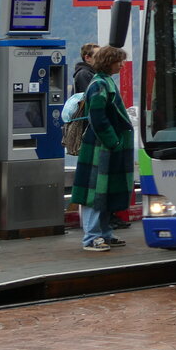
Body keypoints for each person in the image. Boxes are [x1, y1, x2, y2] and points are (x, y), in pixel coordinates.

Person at [70, 46, 135, 253]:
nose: (122, 65)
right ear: (109, 62)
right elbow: (98, 119)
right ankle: (92, 237)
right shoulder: (99, 85)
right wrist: (114, 142)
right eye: (119, 61)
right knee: (95, 193)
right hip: (102, 147)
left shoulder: (103, 82)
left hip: (106, 146)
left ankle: (104, 233)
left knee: (104, 191)